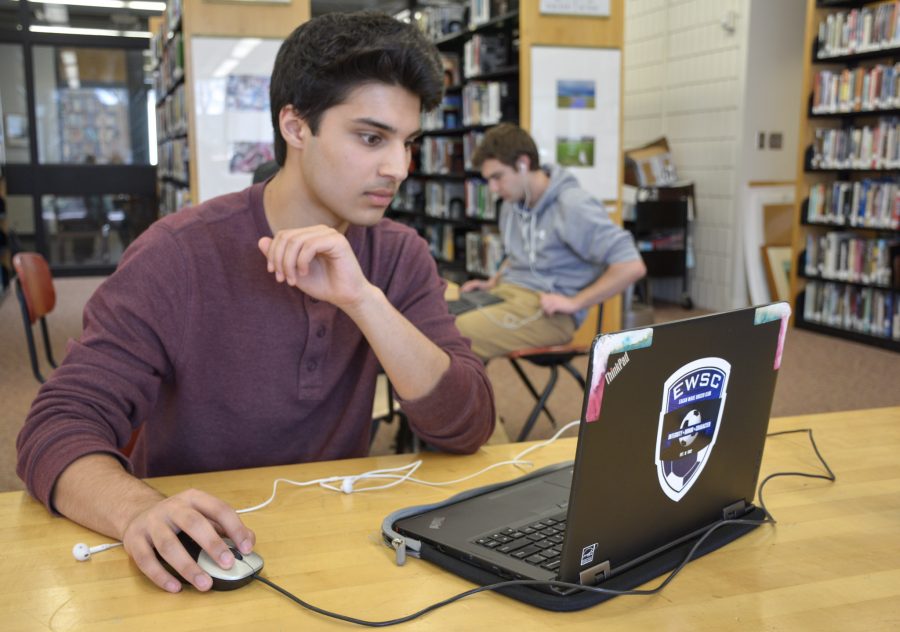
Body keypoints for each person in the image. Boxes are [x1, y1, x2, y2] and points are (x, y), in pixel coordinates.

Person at [16, 12, 494, 594]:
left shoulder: (397, 255)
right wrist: (135, 509)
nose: (398, 168)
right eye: (371, 138)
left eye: (407, 143)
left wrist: (364, 301)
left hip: (340, 547)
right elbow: (56, 426)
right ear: (295, 126)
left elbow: (466, 425)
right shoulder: (177, 255)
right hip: (198, 563)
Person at [456, 123, 647, 359]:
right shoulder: (512, 204)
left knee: (453, 334)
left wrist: (575, 303)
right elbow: (518, 253)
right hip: (507, 294)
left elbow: (631, 265)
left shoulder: (572, 206)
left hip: (548, 312)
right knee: (433, 310)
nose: (493, 188)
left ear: (523, 164)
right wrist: (492, 281)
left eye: (498, 177)